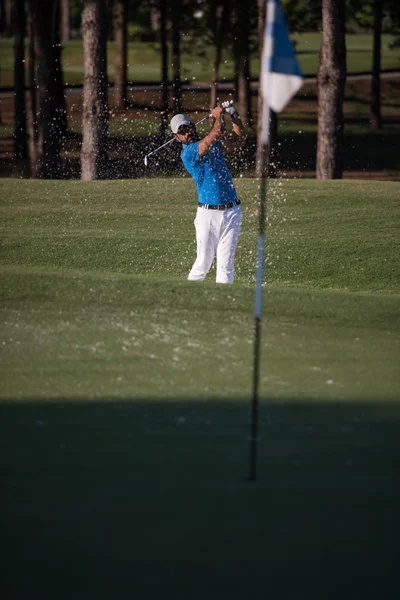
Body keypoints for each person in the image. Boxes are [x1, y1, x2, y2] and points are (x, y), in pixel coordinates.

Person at [170, 102, 246, 284]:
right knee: (202, 264)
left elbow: (239, 141)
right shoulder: (188, 153)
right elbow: (216, 133)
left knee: (226, 266)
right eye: (181, 131)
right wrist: (218, 115)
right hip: (208, 215)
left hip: (232, 212)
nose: (187, 132)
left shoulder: (211, 144)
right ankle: (187, 301)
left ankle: (221, 307)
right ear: (177, 138)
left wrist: (234, 116)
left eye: (188, 127)